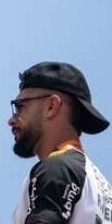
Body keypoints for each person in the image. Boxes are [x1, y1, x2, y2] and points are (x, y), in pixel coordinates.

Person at [9, 61, 111, 223]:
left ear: (51, 106)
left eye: (20, 106)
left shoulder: (57, 168)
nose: (11, 120)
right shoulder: (99, 185)